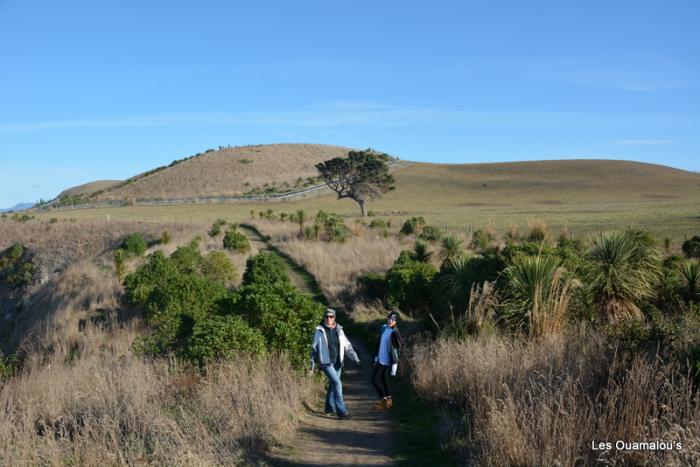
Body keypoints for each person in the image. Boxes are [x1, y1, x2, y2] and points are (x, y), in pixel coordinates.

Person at [310, 307, 361, 419]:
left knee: (333, 385)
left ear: (334, 318)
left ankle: (329, 408)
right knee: (338, 384)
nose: (328, 318)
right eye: (326, 316)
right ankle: (341, 411)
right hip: (326, 363)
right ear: (323, 318)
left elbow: (347, 345)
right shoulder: (319, 330)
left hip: (337, 362)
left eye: (331, 316)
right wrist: (312, 364)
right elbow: (313, 348)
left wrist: (355, 358)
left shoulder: (339, 330)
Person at [371, 310, 402, 410]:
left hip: (386, 360)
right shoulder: (384, 328)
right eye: (389, 318)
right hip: (380, 357)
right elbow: (379, 342)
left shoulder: (395, 333)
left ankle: (383, 401)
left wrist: (395, 364)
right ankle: (389, 402)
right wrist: (376, 356)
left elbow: (397, 349)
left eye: (393, 319)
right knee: (384, 379)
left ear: (396, 322)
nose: (390, 320)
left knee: (374, 380)